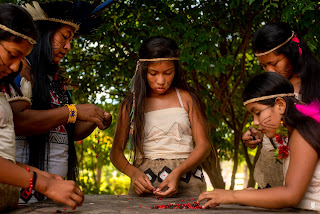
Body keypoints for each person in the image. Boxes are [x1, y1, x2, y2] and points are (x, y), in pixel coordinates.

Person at [12, 1, 113, 204]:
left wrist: (94, 119)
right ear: (43, 34)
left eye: (71, 40)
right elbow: (19, 121)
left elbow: (68, 133)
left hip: (54, 194)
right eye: (64, 37)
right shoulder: (20, 69)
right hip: (20, 195)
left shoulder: (57, 82)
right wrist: (72, 111)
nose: (68, 47)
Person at [0, 4, 83, 211]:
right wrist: (43, 182)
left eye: (21, 59)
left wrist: (44, 177)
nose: (15, 67)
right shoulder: (22, 78)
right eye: (12, 54)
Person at [198, 72, 320, 211]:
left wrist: (231, 195)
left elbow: (291, 195)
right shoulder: (292, 132)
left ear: (280, 105)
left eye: (257, 113)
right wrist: (253, 194)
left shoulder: (302, 132)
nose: (255, 122)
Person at [110, 36, 211, 197]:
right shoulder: (131, 105)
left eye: (168, 73)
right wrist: (133, 174)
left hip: (188, 179)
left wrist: (178, 172)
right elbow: (116, 152)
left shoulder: (187, 98)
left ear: (175, 71)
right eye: (153, 73)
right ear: (143, 70)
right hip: (144, 182)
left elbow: (204, 145)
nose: (161, 81)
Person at [242, 22, 320, 188]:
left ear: (292, 52)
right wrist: (257, 133)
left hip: (304, 184)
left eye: (274, 63)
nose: (269, 71)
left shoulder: (315, 86)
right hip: (268, 179)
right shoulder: (268, 86)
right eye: (263, 66)